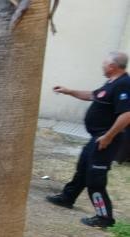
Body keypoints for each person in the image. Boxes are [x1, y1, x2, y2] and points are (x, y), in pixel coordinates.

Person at [47, 51, 130, 227]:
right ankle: (67, 198)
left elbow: (127, 114)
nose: (102, 65)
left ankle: (104, 217)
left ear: (112, 66)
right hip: (97, 137)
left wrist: (108, 137)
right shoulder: (111, 83)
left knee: (95, 179)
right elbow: (92, 95)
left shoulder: (124, 84)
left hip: (106, 139)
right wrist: (69, 91)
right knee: (83, 168)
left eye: (104, 63)